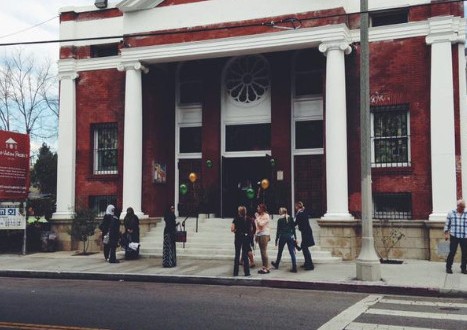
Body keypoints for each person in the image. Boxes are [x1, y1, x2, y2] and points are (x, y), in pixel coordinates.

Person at [444, 199, 467, 274]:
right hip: (454, 236)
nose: (463, 209)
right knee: (452, 252)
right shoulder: (451, 213)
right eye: (462, 207)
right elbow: (447, 224)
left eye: (464, 207)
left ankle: (463, 268)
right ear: (458, 206)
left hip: (464, 236)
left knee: (465, 253)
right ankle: (448, 267)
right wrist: (446, 233)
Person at [271, 207, 297, 273]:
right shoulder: (290, 218)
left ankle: (277, 264)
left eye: (279, 211)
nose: (279, 212)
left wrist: (276, 239)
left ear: (282, 212)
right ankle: (294, 267)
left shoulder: (280, 220)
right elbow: (293, 229)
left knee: (280, 251)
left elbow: (278, 231)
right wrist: (295, 238)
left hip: (283, 237)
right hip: (290, 236)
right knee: (292, 252)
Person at [231, 206, 253, 277]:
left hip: (238, 237)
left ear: (239, 212)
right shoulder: (249, 219)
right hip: (246, 237)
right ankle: (246, 272)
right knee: (245, 255)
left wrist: (236, 231)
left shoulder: (236, 219)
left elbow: (232, 229)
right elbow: (251, 229)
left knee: (237, 254)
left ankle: (235, 272)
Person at [294, 201, 315, 270]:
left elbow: (296, 223)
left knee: (305, 248)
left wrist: (289, 224)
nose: (295, 208)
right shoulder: (303, 212)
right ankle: (307, 263)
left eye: (295, 206)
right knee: (304, 248)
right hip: (306, 232)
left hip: (306, 232)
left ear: (297, 207)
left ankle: (310, 265)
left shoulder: (300, 214)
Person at [255, 203, 271, 274]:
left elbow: (261, 225)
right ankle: (264, 267)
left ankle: (267, 268)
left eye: (258, 207)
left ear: (262, 209)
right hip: (259, 234)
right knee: (262, 252)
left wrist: (257, 218)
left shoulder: (266, 215)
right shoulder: (259, 216)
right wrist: (256, 234)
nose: (257, 209)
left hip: (264, 234)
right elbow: (257, 227)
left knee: (264, 251)